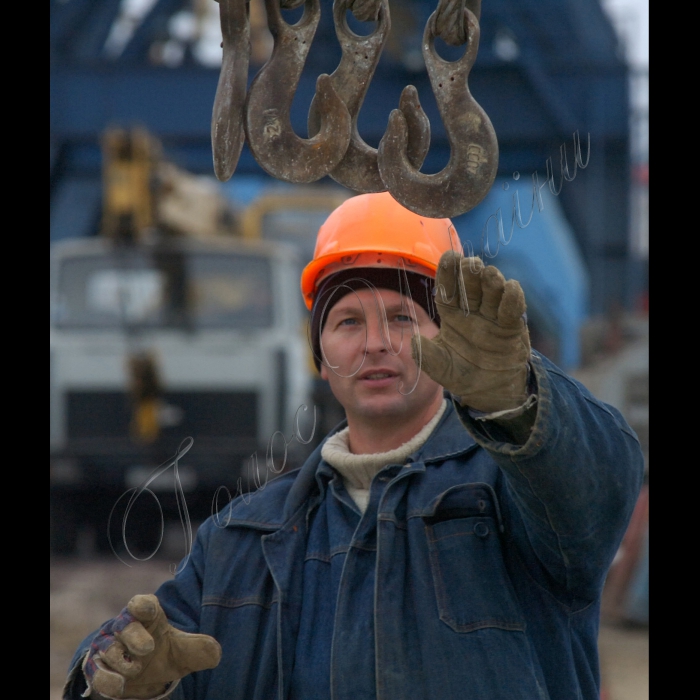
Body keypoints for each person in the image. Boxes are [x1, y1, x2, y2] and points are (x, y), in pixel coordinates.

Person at [64, 192, 644, 700]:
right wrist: (118, 677)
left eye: (402, 317)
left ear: (456, 339)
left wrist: (519, 398)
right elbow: (138, 650)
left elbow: (595, 492)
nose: (375, 344)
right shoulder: (241, 543)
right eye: (346, 322)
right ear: (320, 356)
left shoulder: (518, 498)